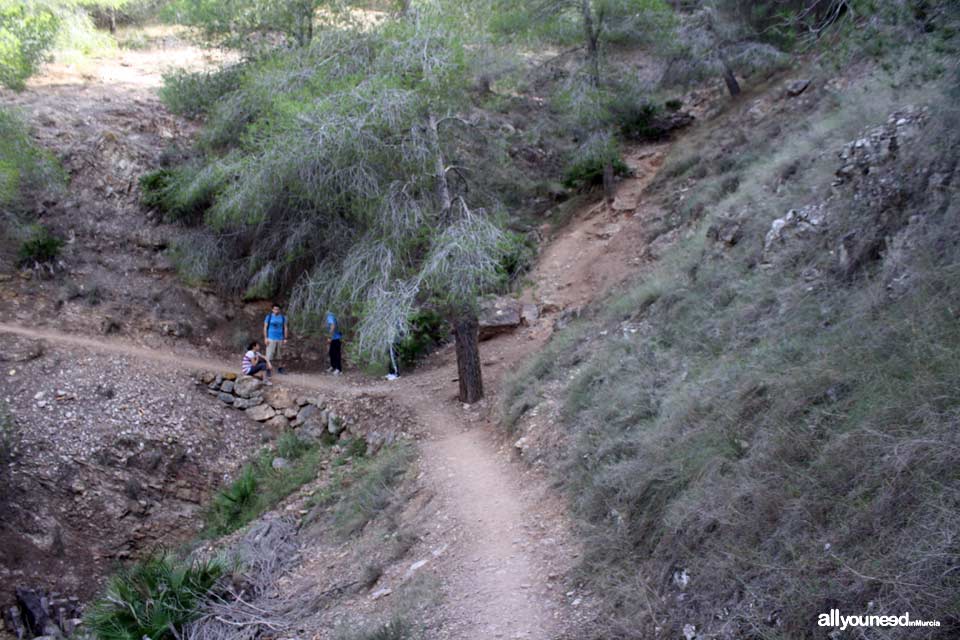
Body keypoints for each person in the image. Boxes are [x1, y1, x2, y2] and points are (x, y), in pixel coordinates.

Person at [263, 304, 288, 374]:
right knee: (269, 354)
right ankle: (268, 369)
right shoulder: (269, 317)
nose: (276, 311)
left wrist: (285, 338)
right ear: (272, 310)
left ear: (279, 310)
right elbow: (265, 327)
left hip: (280, 338)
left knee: (279, 354)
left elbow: (285, 327)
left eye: (277, 309)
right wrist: (265, 338)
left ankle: (280, 368)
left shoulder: (283, 318)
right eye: (275, 309)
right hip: (271, 338)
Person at [326, 310, 342, 376]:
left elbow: (333, 325)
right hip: (334, 338)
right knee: (331, 353)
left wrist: (330, 337)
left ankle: (339, 369)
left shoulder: (330, 316)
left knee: (336, 354)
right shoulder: (332, 315)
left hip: (336, 338)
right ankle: (333, 367)